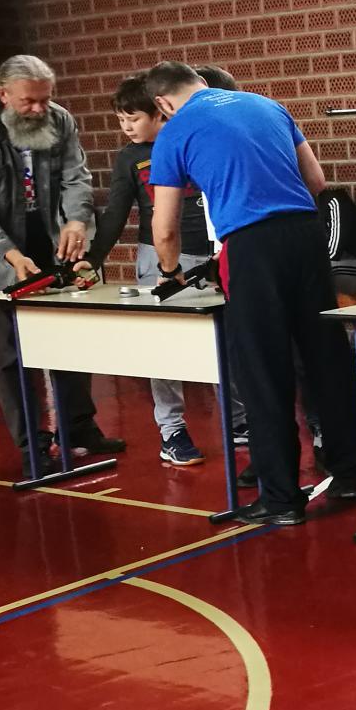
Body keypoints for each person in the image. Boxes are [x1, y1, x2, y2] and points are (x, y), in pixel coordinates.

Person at [144, 62, 356, 525]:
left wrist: (170, 273)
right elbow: (317, 182)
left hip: (250, 245)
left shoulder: (173, 131)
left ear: (162, 103)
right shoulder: (267, 105)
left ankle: (281, 500)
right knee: (325, 357)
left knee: (263, 371)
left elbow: (164, 229)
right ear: (202, 84)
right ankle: (348, 475)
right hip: (306, 236)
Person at [0, 53, 124, 477]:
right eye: (29, 101)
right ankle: (32, 442)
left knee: (71, 337)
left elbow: (76, 178)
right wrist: (11, 256)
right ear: (3, 94)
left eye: (45, 99)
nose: (40, 108)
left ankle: (79, 427)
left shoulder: (59, 119)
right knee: (7, 352)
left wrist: (77, 220)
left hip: (51, 239)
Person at [89, 75, 210, 468]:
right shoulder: (130, 157)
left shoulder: (189, 139)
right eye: (121, 120)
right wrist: (93, 258)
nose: (127, 127)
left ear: (160, 112)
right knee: (164, 346)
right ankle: (172, 430)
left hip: (209, 253)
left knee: (225, 340)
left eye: (134, 118)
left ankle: (241, 420)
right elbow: (116, 212)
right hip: (157, 257)